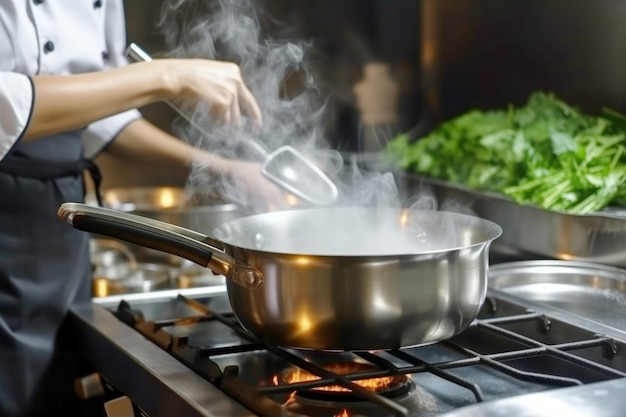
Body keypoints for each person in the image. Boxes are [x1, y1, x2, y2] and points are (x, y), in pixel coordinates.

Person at [0, 1, 284, 416]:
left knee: (50, 387)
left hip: (57, 215)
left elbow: (95, 115)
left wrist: (227, 169)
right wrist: (165, 75)